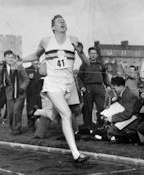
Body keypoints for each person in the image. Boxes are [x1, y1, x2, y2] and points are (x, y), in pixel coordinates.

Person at [23, 15, 90, 163]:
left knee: (54, 116)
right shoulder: (46, 41)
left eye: (64, 21)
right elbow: (35, 55)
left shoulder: (73, 40)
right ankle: (76, 154)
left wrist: (81, 52)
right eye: (59, 22)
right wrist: (20, 60)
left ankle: (37, 111)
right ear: (53, 27)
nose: (63, 23)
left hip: (68, 85)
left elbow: (87, 63)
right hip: (52, 83)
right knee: (66, 114)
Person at [77, 47, 111, 134]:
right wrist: (82, 87)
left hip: (99, 87)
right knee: (88, 108)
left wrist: (107, 85)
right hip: (88, 88)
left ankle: (100, 126)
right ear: (89, 54)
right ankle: (88, 127)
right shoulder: (84, 65)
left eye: (94, 53)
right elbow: (79, 78)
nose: (93, 55)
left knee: (101, 108)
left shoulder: (101, 65)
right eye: (91, 53)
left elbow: (105, 76)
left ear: (97, 55)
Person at [0, 50, 29, 135]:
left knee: (16, 111)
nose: (10, 59)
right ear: (5, 58)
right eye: (8, 57)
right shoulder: (1, 68)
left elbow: (26, 79)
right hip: (9, 93)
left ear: (13, 58)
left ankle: (16, 129)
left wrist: (22, 87)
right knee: (10, 113)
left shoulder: (19, 66)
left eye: (11, 57)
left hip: (19, 93)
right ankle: (12, 127)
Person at [106, 76, 139, 143]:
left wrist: (112, 118)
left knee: (111, 130)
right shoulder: (123, 94)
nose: (114, 90)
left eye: (114, 88)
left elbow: (127, 113)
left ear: (121, 86)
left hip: (133, 120)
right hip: (127, 119)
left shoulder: (129, 95)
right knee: (109, 129)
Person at [25, 60, 43, 132]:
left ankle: (40, 127)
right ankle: (31, 126)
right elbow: (24, 80)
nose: (36, 64)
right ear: (32, 63)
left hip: (40, 93)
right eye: (35, 63)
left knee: (40, 110)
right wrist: (28, 78)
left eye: (38, 63)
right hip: (31, 93)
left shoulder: (42, 70)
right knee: (30, 110)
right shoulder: (27, 70)